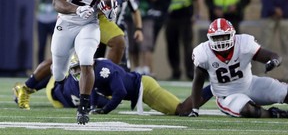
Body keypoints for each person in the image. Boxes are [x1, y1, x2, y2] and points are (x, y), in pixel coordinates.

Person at [51, 0, 119, 125]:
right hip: (67, 22)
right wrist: (76, 8)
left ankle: (83, 107)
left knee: (87, 61)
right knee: (58, 73)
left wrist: (110, 7)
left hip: (90, 23)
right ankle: (64, 69)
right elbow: (57, 2)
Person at [13, 56, 213, 115]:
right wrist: (93, 107)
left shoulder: (105, 69)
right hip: (58, 94)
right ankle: (26, 88)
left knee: (181, 110)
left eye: (79, 68)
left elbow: (120, 91)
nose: (78, 73)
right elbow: (90, 95)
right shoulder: (84, 77)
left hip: (144, 87)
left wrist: (104, 110)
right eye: (75, 69)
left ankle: (214, 88)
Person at [188, 18, 288, 118]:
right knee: (248, 110)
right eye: (217, 38)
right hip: (227, 96)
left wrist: (274, 62)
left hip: (250, 85)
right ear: (210, 38)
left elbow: (274, 56)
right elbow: (198, 82)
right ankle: (275, 114)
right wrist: (195, 109)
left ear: (232, 35)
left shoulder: (243, 44)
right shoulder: (203, 53)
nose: (221, 42)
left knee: (284, 92)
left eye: (224, 37)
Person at [165, 0, 201, 80]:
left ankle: (190, 73)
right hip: (171, 16)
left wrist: (197, 14)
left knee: (187, 46)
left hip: (185, 16)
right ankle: (176, 72)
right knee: (171, 45)